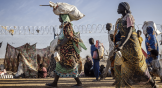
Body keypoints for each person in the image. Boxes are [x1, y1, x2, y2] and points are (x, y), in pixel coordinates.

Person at [114, 2, 157, 87]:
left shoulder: (129, 17)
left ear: (125, 8)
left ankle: (153, 84)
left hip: (132, 44)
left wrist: (121, 45)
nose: (117, 9)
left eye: (119, 7)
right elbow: (119, 33)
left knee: (139, 67)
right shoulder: (121, 19)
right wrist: (118, 43)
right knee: (125, 66)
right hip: (125, 45)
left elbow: (130, 31)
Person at [46, 14, 83, 87]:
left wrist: (59, 45)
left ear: (64, 17)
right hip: (64, 51)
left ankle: (79, 83)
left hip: (68, 52)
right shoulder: (64, 26)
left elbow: (68, 37)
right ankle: (55, 83)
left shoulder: (67, 25)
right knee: (59, 66)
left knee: (70, 66)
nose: (59, 18)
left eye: (60, 17)